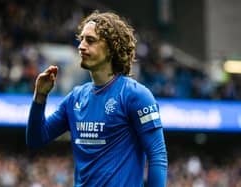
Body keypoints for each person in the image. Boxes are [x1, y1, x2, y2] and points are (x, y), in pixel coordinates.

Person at [26, 10, 168, 187]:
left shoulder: (135, 96)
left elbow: (157, 155)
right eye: (82, 39)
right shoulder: (75, 98)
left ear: (110, 48)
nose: (81, 46)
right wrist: (40, 96)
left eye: (90, 40)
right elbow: (35, 139)